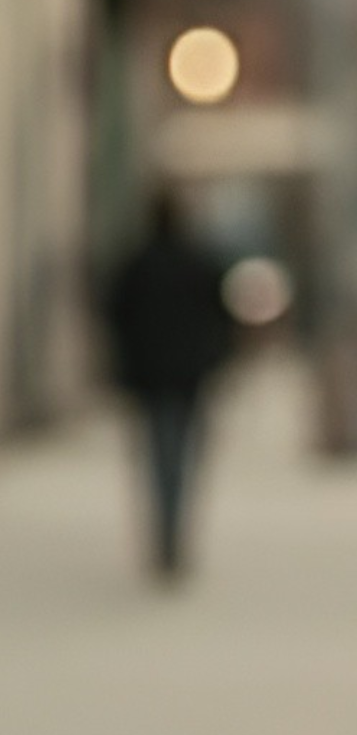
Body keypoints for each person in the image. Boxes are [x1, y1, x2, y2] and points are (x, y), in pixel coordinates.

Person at [102, 185, 235, 579]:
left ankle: (164, 535)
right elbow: (221, 316)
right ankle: (173, 536)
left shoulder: (137, 263)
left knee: (159, 456)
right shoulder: (200, 262)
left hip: (150, 376)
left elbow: (115, 313)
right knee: (182, 456)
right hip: (189, 376)